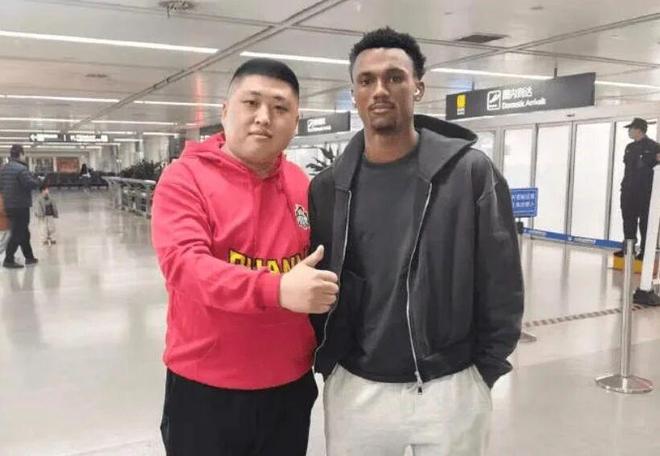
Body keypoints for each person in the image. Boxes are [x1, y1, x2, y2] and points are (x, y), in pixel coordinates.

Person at [309, 27, 524, 456]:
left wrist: (483, 371)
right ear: (353, 95)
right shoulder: (329, 187)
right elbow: (319, 279)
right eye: (366, 80)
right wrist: (331, 362)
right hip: (357, 388)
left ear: (418, 87)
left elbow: (501, 280)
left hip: (450, 387)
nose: (380, 90)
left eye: (395, 77)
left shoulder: (469, 173)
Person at [151, 58, 338, 456]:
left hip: (288, 386)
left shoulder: (300, 184)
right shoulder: (184, 179)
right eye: (251, 103)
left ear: (296, 120)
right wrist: (277, 289)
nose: (264, 118)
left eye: (280, 107)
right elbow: (184, 265)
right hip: (206, 388)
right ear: (225, 111)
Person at [615, 118, 660, 260]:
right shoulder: (629, 147)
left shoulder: (654, 146)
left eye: (631, 129)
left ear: (639, 130)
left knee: (645, 222)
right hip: (628, 190)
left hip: (645, 192)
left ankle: (645, 251)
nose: (629, 131)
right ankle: (628, 249)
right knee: (628, 219)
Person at [0, 144, 41, 269]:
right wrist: (39, 181)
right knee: (18, 233)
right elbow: (29, 184)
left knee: (23, 232)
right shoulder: (21, 169)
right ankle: (8, 259)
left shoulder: (3, 168)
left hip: (8, 204)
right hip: (20, 205)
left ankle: (29, 257)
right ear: (21, 154)